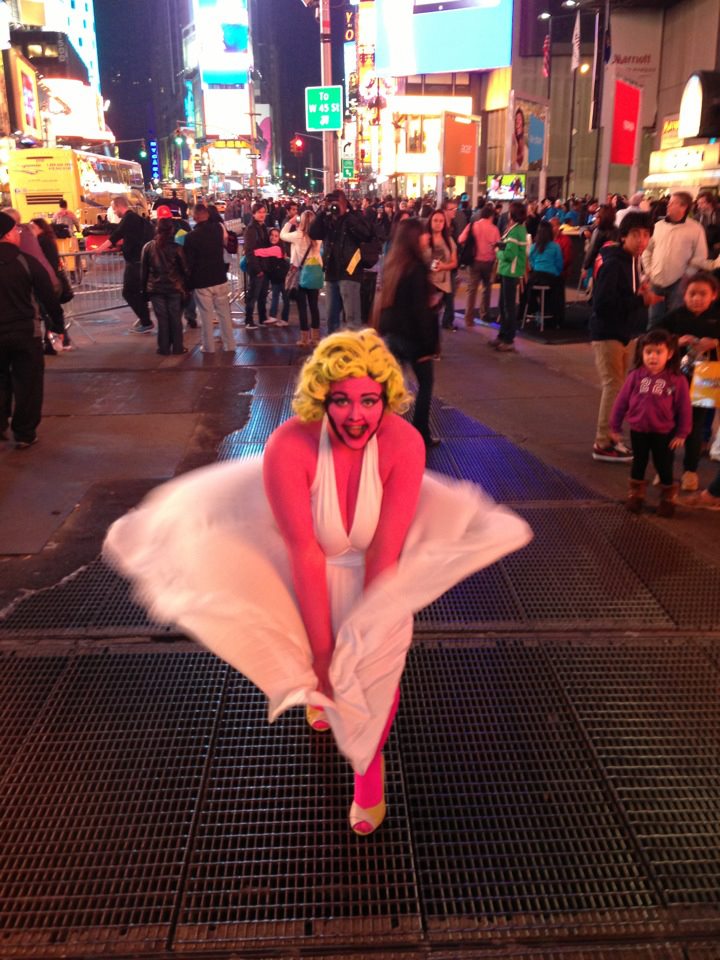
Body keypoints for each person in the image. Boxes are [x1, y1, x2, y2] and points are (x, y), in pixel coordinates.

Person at [103, 329, 532, 835]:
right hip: (311, 573)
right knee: (317, 667)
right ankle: (321, 698)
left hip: (379, 573)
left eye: (369, 400)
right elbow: (305, 552)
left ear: (386, 398)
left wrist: (366, 633)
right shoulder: (289, 445)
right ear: (321, 399)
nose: (356, 415)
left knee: (376, 672)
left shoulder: (403, 443)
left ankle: (369, 773)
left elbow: (383, 551)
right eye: (341, 400)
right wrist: (324, 651)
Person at [590, 213, 664, 462]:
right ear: (624, 236)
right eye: (636, 235)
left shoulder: (632, 260)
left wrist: (638, 293)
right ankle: (604, 442)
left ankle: (611, 438)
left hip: (623, 332)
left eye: (646, 235)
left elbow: (622, 296)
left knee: (618, 387)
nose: (642, 240)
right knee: (614, 386)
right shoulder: (615, 263)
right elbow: (602, 303)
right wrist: (640, 299)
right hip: (608, 332)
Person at [610, 329, 691, 517]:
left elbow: (684, 408)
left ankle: (667, 498)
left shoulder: (677, 380)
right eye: (648, 352)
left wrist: (682, 432)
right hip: (639, 430)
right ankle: (636, 495)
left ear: (669, 354)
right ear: (641, 353)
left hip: (664, 432)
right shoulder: (635, 376)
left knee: (664, 464)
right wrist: (614, 426)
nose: (653, 357)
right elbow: (621, 402)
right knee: (639, 462)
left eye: (658, 352)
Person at [376, 218, 440, 450]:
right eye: (424, 234)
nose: (428, 237)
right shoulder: (417, 268)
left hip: (393, 335)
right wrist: (428, 347)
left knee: (389, 388)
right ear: (415, 238)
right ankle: (420, 432)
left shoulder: (394, 264)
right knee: (425, 384)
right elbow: (420, 312)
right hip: (414, 339)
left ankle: (379, 429)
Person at [0, 210, 58, 449]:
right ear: (6, 234)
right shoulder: (26, 261)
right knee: (29, 383)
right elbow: (48, 294)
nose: (18, 233)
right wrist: (57, 322)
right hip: (25, 332)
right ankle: (24, 432)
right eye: (15, 230)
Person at [657, 272, 720, 491]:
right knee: (669, 424)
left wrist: (714, 343)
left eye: (703, 294)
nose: (697, 298)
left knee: (695, 426)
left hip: (705, 381)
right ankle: (663, 470)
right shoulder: (676, 316)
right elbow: (652, 335)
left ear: (713, 296)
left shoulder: (716, 317)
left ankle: (690, 472)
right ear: (685, 295)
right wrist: (675, 340)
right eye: (692, 293)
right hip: (675, 379)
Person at [308, 190, 372, 333]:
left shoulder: (354, 217)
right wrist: (323, 211)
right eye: (331, 203)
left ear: (344, 202)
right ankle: (334, 349)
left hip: (350, 272)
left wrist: (346, 215)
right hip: (331, 273)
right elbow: (313, 233)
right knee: (331, 318)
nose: (334, 207)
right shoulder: (327, 219)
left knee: (352, 319)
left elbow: (366, 234)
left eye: (336, 203)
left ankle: (353, 350)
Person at [641, 191, 708, 324]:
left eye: (672, 203)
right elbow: (647, 250)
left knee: (675, 318)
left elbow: (701, 256)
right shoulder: (658, 226)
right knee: (654, 318)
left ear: (683, 207)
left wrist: (687, 275)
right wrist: (648, 269)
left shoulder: (695, 228)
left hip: (679, 281)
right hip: (656, 278)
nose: (667, 206)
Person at [95, 196, 155, 333]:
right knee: (139, 292)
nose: (114, 212)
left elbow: (115, 236)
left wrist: (99, 249)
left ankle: (146, 321)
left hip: (135, 263)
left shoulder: (128, 219)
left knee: (128, 292)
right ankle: (144, 318)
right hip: (142, 262)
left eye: (114, 209)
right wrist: (120, 248)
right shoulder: (138, 219)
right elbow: (133, 240)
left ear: (119, 206)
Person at [183, 203, 236, 353]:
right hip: (220, 277)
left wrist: (188, 282)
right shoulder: (217, 230)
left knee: (206, 316)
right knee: (224, 314)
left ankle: (208, 347)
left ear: (195, 217)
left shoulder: (191, 237)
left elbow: (189, 262)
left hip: (202, 281)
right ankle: (230, 345)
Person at [141, 215, 189, 356]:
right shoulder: (177, 248)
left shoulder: (148, 247)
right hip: (174, 287)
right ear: (172, 229)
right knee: (175, 318)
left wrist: (143, 291)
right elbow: (185, 269)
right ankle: (178, 347)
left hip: (156, 289)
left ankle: (163, 348)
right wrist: (186, 286)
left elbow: (143, 271)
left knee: (162, 319)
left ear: (157, 229)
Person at [28, 218, 72, 353]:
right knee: (51, 312)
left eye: (33, 227)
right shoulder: (48, 240)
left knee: (48, 313)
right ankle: (60, 341)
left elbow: (47, 264)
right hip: (53, 281)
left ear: (41, 228)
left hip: (48, 282)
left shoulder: (41, 242)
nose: (31, 230)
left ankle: (54, 343)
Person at [281, 210, 323, 347]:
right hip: (315, 272)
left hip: (301, 273)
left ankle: (304, 338)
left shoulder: (298, 235)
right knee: (314, 306)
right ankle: (316, 337)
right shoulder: (318, 237)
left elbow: (282, 235)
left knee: (302, 307)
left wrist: (289, 222)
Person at [490, 200, 528, 352]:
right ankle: (502, 335)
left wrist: (497, 252)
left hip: (510, 272)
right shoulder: (516, 229)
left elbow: (510, 254)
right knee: (503, 305)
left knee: (508, 307)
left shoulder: (516, 230)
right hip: (507, 271)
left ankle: (508, 339)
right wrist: (500, 245)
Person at [516, 220, 564, 328]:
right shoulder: (555, 246)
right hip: (551, 277)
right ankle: (555, 317)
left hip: (536, 277)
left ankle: (534, 311)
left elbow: (531, 261)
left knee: (531, 289)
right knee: (558, 287)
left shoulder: (534, 246)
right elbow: (559, 264)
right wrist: (555, 272)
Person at [459, 203, 500, 328]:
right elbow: (498, 246)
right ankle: (484, 313)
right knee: (487, 289)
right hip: (488, 262)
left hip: (474, 261)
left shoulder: (472, 226)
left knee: (472, 290)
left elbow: (460, 239)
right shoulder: (494, 229)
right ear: (491, 216)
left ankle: (469, 318)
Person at [422, 209, 458, 333]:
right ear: (430, 222)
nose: (438, 223)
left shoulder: (449, 241)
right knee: (427, 317)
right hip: (427, 282)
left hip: (443, 283)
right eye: (435, 220)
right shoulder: (424, 239)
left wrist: (443, 266)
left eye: (441, 221)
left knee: (436, 315)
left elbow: (454, 262)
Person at [243, 202, 273, 329]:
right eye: (259, 212)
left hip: (264, 266)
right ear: (254, 214)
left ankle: (262, 318)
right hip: (257, 268)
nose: (262, 214)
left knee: (262, 295)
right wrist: (257, 269)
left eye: (263, 212)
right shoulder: (251, 229)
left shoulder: (262, 227)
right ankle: (249, 320)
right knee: (253, 295)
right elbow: (249, 251)